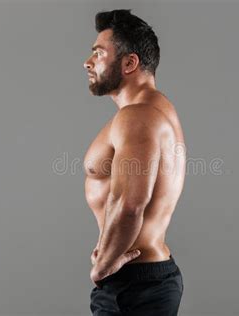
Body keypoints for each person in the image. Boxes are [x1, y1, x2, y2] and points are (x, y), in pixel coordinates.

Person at [83, 9, 186, 315]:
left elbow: (129, 203)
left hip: (134, 287)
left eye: (99, 53)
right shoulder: (153, 110)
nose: (88, 62)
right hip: (142, 282)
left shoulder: (137, 117)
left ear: (130, 63)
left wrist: (102, 266)